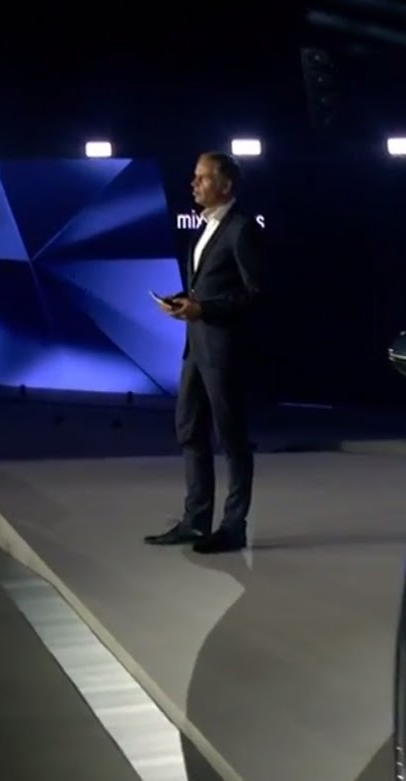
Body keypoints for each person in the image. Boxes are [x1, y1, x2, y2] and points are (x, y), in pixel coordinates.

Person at [145, 151, 265, 554]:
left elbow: (255, 293)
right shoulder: (205, 226)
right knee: (189, 428)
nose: (193, 184)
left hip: (223, 349)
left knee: (231, 437)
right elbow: (209, 287)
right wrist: (185, 301)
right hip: (196, 346)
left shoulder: (241, 229)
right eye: (195, 177)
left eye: (203, 177)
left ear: (226, 185)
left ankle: (233, 527)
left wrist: (205, 309)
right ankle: (196, 521)